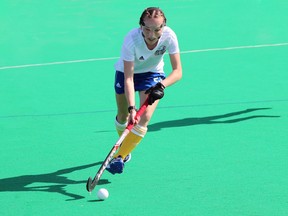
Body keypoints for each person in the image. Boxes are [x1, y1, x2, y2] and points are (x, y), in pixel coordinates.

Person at [106, 7, 182, 174]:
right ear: (140, 26)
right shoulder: (131, 39)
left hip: (152, 75)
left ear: (164, 26)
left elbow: (178, 72)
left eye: (157, 29)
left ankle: (121, 156)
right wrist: (132, 108)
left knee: (145, 117)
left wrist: (161, 85)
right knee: (124, 115)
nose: (151, 34)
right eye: (147, 28)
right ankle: (125, 146)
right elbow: (128, 78)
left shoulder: (170, 36)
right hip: (127, 73)